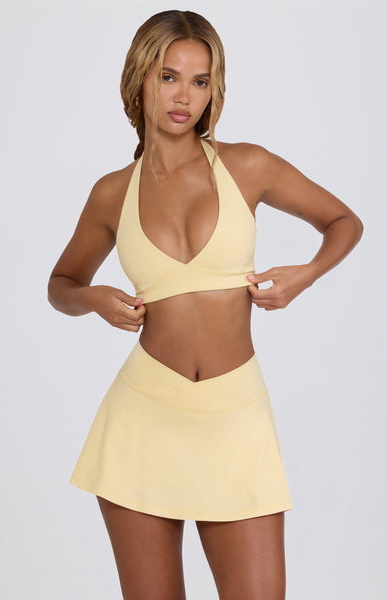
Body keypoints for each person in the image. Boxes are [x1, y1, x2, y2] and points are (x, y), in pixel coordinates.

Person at [47, 9, 363, 600]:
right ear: (140, 77)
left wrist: (305, 275)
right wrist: (92, 299)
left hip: (236, 417)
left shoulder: (247, 166)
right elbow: (60, 284)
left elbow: (344, 221)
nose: (183, 97)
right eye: (169, 77)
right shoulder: (112, 193)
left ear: (214, 89)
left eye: (200, 81)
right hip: (142, 419)